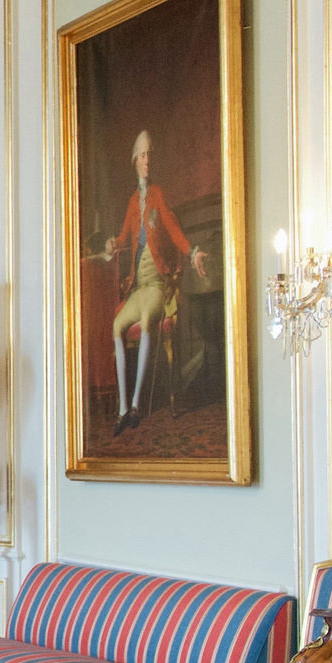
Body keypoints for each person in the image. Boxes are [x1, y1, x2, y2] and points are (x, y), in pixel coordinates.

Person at [102, 129, 208, 434]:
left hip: (157, 287)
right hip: (138, 287)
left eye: (151, 154)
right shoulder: (132, 200)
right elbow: (123, 238)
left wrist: (193, 253)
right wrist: (111, 245)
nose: (149, 160)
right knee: (116, 326)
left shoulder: (158, 195)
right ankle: (122, 409)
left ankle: (136, 405)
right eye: (144, 154)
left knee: (149, 319)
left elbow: (173, 229)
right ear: (135, 160)